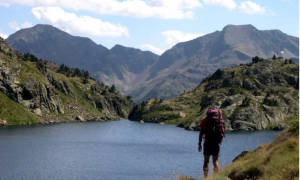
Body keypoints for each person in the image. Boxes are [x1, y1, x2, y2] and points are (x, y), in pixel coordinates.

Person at [198, 108, 225, 177]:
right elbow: (222, 132)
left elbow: (201, 133)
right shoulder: (220, 122)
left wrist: (199, 144)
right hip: (216, 143)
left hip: (207, 143)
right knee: (215, 161)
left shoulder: (205, 121)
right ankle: (216, 177)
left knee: (206, 161)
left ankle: (205, 177)